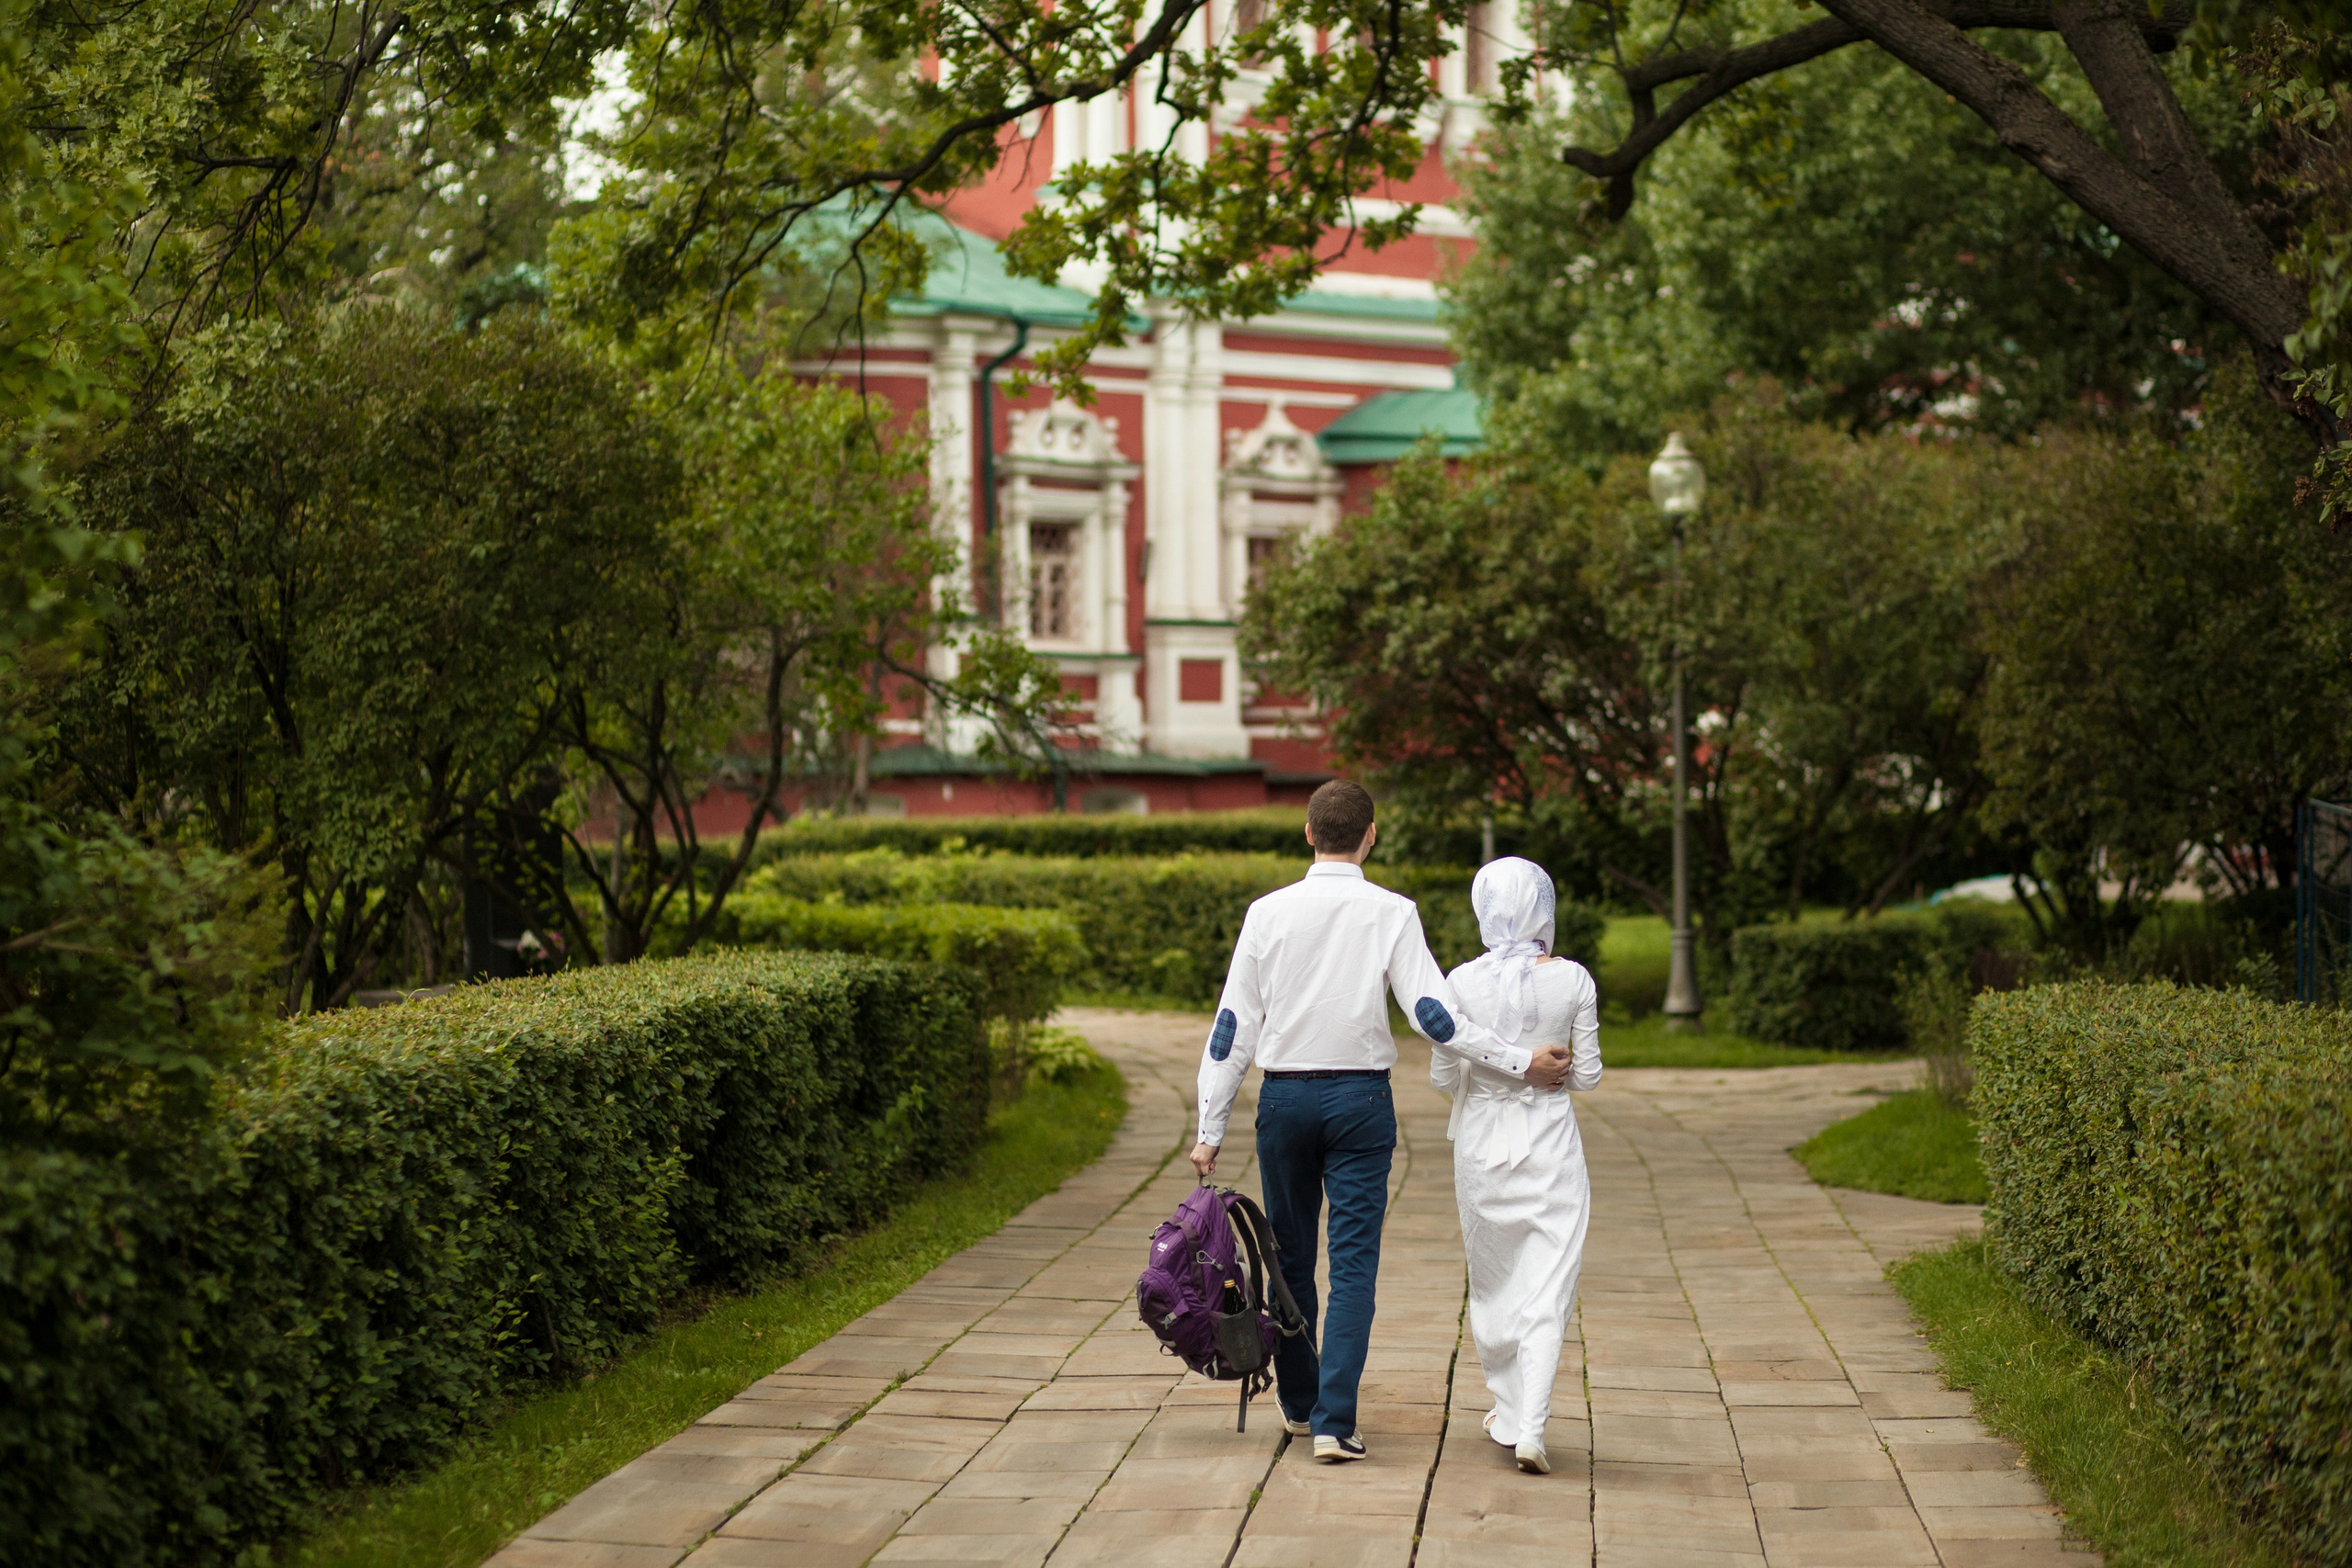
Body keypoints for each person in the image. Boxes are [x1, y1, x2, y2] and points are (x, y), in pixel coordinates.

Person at [1190, 781, 1577, 1462]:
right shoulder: (1392, 911)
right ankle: (1336, 1420)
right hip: (1360, 1104)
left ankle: (1300, 1404)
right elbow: (1438, 1017)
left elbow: (1232, 1027)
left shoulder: (1266, 913)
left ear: (1308, 832)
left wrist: (1209, 1124)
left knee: (1289, 1258)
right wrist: (1521, 1062)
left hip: (1282, 1101)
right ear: (1371, 834)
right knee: (1354, 1264)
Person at [1433, 856, 1603, 1475]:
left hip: (1481, 1145)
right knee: (1548, 1278)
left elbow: (1441, 1073)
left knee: (1495, 1278)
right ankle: (1528, 1421)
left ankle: (1510, 1409)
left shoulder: (1457, 983)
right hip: (1550, 1142)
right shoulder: (1574, 979)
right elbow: (1586, 1074)